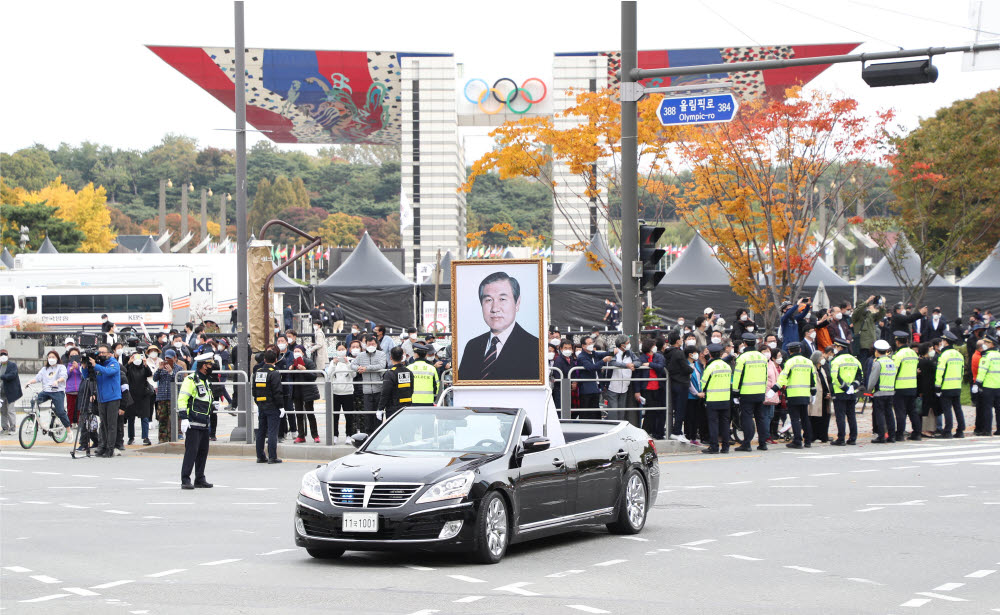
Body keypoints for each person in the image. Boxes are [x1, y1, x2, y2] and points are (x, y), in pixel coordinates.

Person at [458, 271, 540, 381]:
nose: (495, 308)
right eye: (488, 300)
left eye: (502, 299)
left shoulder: (534, 347)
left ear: (517, 303)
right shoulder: (472, 346)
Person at [177, 352, 216, 489]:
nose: (211, 366)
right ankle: (185, 479)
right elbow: (182, 399)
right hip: (192, 422)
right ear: (202, 366)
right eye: (209, 364)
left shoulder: (205, 381)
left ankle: (200, 478)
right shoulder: (191, 380)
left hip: (204, 422)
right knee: (191, 452)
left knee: (202, 452)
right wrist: (184, 418)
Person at [773, 342, 815, 448]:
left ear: (789, 351)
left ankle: (797, 441)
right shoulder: (808, 362)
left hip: (793, 394)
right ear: (800, 350)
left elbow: (783, 378)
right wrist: (813, 392)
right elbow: (813, 379)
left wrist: (774, 389)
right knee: (805, 417)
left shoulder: (789, 362)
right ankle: (808, 441)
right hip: (805, 394)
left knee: (795, 418)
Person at [733, 333, 769, 451]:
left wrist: (735, 392)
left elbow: (737, 376)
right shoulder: (762, 357)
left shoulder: (742, 358)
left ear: (744, 343)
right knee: (760, 417)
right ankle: (763, 443)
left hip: (746, 392)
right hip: (760, 391)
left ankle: (747, 443)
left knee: (747, 417)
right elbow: (765, 376)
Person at [829, 337, 863, 446]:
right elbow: (860, 376)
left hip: (840, 392)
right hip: (852, 392)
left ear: (840, 347)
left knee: (840, 416)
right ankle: (853, 438)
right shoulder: (855, 360)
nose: (834, 348)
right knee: (851, 415)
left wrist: (845, 387)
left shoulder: (836, 360)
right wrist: (852, 387)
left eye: (835, 346)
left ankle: (841, 438)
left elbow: (834, 377)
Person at [352, 334, 387, 435]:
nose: (371, 345)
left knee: (378, 415)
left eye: (373, 344)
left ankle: (378, 435)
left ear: (376, 344)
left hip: (378, 389)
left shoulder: (381, 354)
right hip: (366, 390)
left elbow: (381, 365)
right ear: (365, 345)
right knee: (368, 414)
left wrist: (366, 368)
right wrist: (358, 369)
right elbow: (352, 365)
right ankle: (368, 435)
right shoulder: (361, 355)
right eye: (369, 344)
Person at [26, 350, 71, 431]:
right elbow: (38, 378)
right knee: (34, 401)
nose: (51, 359)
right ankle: (35, 420)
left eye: (53, 357)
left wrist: (57, 381)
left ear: (57, 358)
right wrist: (29, 382)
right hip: (46, 391)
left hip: (57, 391)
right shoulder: (44, 369)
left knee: (60, 412)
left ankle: (68, 430)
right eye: (49, 357)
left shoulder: (61, 367)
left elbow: (64, 376)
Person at [253, 350, 285, 463]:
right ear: (276, 360)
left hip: (261, 405)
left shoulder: (258, 372)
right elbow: (277, 391)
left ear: (264, 360)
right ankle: (272, 456)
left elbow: (254, 390)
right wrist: (281, 406)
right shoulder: (274, 373)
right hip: (272, 406)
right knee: (272, 431)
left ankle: (260, 456)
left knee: (261, 431)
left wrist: (258, 403)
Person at [700, 344, 732, 454]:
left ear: (710, 354)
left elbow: (703, 384)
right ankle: (726, 447)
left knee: (713, 424)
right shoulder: (726, 366)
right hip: (725, 399)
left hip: (713, 399)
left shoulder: (710, 367)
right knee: (725, 424)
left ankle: (714, 447)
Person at [663, 331, 693, 442]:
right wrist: (691, 369)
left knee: (677, 408)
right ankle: (677, 432)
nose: (682, 340)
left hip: (674, 382)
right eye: (680, 338)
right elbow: (686, 368)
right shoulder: (679, 353)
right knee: (680, 409)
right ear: (677, 341)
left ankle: (677, 431)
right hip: (681, 383)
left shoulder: (667, 352)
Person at [935, 330, 966, 438]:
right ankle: (960, 430)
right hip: (957, 386)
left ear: (946, 342)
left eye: (943, 341)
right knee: (958, 408)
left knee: (947, 409)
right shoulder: (959, 355)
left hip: (946, 387)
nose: (942, 343)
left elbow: (940, 372)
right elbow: (962, 372)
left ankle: (948, 431)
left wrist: (937, 387)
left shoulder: (944, 355)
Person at [891, 331, 921, 441]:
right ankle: (917, 433)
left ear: (897, 342)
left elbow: (894, 371)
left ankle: (900, 434)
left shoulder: (898, 355)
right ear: (907, 341)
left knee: (900, 411)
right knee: (912, 411)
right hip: (912, 386)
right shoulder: (913, 353)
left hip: (900, 386)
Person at [575, 336, 613, 419]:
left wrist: (614, 351)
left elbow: (604, 353)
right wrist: (603, 361)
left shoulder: (593, 353)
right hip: (586, 389)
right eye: (589, 343)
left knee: (595, 411)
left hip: (595, 388)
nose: (591, 345)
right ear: (583, 346)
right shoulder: (582, 357)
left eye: (592, 343)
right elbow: (591, 367)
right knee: (586, 412)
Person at [326, 343, 357, 444]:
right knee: (335, 416)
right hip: (335, 392)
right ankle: (335, 435)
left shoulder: (351, 360)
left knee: (349, 416)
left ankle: (349, 435)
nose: (341, 351)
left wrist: (348, 363)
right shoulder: (333, 362)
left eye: (343, 349)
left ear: (346, 349)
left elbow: (353, 374)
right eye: (339, 349)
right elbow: (328, 374)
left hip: (348, 392)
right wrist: (334, 364)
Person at [868, 339, 898, 443]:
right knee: (889, 413)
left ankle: (881, 436)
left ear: (876, 351)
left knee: (880, 414)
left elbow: (873, 379)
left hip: (880, 392)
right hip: (890, 391)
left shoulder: (878, 363)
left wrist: (869, 390)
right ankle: (892, 436)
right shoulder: (892, 362)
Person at [636, 339, 667, 439]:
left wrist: (650, 365)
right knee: (651, 411)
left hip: (659, 387)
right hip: (647, 388)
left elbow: (661, 366)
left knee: (660, 411)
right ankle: (646, 431)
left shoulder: (658, 356)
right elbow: (637, 375)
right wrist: (637, 391)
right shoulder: (641, 358)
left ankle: (658, 432)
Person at [290, 346, 321, 444]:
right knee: (299, 414)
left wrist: (304, 370)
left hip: (308, 391)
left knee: (310, 413)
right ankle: (301, 435)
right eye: (295, 351)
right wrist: (290, 370)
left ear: (303, 353)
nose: (296, 353)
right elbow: (289, 378)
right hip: (297, 391)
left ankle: (315, 435)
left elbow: (313, 376)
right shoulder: (292, 362)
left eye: (298, 351)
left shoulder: (309, 362)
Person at [854, 295, 886, 383]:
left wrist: (882, 306)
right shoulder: (857, 316)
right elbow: (858, 310)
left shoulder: (870, 315)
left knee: (870, 365)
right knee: (863, 364)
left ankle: (868, 380)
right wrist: (867, 300)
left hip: (871, 345)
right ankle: (861, 380)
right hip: (863, 345)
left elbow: (880, 315)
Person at [124, 351, 153, 446]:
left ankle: (145, 437)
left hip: (144, 395)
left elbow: (149, 373)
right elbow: (123, 372)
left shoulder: (144, 367)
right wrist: (129, 363)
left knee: (145, 417)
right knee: (130, 418)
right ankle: (131, 437)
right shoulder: (130, 367)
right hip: (132, 396)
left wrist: (145, 364)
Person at [973, 334, 1000, 436]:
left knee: (987, 408)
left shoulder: (987, 356)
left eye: (985, 343)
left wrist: (977, 383)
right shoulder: (998, 355)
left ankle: (987, 430)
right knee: (998, 409)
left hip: (988, 386)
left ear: (991, 344)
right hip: (998, 386)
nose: (983, 345)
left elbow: (982, 371)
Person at [606, 336, 637, 423]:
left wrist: (633, 365)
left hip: (625, 387)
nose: (629, 345)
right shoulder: (614, 352)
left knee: (621, 412)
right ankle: (611, 429)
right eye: (627, 343)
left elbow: (638, 361)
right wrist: (626, 365)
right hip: (613, 386)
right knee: (613, 411)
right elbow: (613, 362)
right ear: (622, 345)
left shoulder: (630, 353)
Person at [378, 347, 413, 422]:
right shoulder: (409, 372)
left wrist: (380, 408)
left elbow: (385, 392)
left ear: (391, 357)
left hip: (393, 408)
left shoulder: (390, 373)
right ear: (402, 357)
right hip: (407, 408)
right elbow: (411, 389)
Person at [153, 350, 179, 443]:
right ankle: (162, 439)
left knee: (172, 420)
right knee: (162, 419)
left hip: (172, 397)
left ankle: (172, 438)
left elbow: (178, 380)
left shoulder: (178, 368)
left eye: (169, 358)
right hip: (162, 397)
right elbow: (155, 378)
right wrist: (159, 369)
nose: (167, 360)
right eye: (166, 358)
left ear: (174, 358)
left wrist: (171, 372)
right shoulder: (161, 368)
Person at [808, 349, 832, 443]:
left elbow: (825, 382)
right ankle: (813, 435)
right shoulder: (812, 369)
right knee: (814, 417)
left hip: (825, 396)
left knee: (825, 417)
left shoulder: (822, 369)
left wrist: (828, 393)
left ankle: (823, 435)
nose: (823, 359)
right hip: (816, 396)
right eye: (821, 357)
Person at [685, 343, 706, 445]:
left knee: (696, 418)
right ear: (690, 354)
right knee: (690, 417)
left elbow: (700, 378)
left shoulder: (697, 364)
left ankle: (693, 437)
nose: (697, 355)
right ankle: (690, 437)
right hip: (690, 396)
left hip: (699, 395)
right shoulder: (686, 365)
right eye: (695, 353)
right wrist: (696, 393)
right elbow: (688, 382)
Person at [552, 339, 577, 411]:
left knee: (568, 408)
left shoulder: (571, 359)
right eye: (565, 348)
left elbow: (574, 372)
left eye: (569, 348)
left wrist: (574, 381)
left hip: (568, 388)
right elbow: (557, 375)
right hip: (560, 388)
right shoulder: (558, 360)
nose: (568, 350)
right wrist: (570, 383)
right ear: (561, 349)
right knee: (561, 409)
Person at [65, 347, 83, 426]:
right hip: (70, 390)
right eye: (72, 355)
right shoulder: (67, 366)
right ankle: (69, 423)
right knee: (70, 408)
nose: (74, 356)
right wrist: (70, 370)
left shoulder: (81, 366)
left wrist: (78, 368)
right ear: (69, 357)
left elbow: (84, 375)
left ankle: (80, 422)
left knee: (80, 408)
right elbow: (65, 376)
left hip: (80, 389)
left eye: (76, 355)